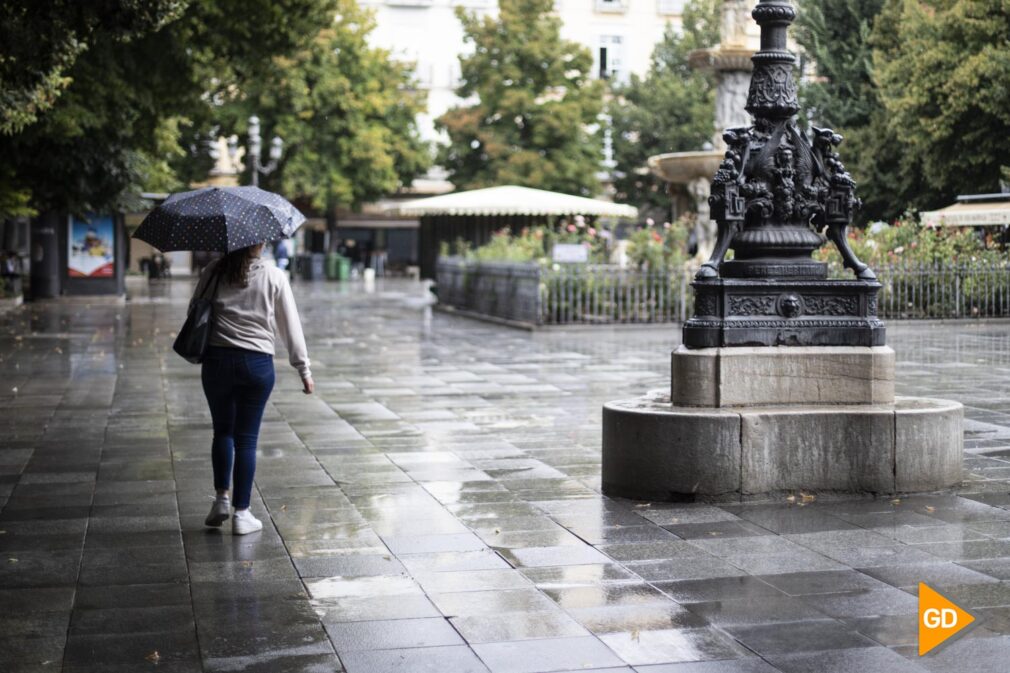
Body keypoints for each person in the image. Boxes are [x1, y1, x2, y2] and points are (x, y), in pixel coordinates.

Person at [190, 242, 314, 535]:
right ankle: (242, 514)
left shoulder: (213, 271)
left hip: (217, 361)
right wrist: (303, 368)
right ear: (258, 243)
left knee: (222, 431)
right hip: (256, 364)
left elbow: (194, 311)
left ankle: (221, 499)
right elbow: (289, 326)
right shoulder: (273, 275)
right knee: (246, 439)